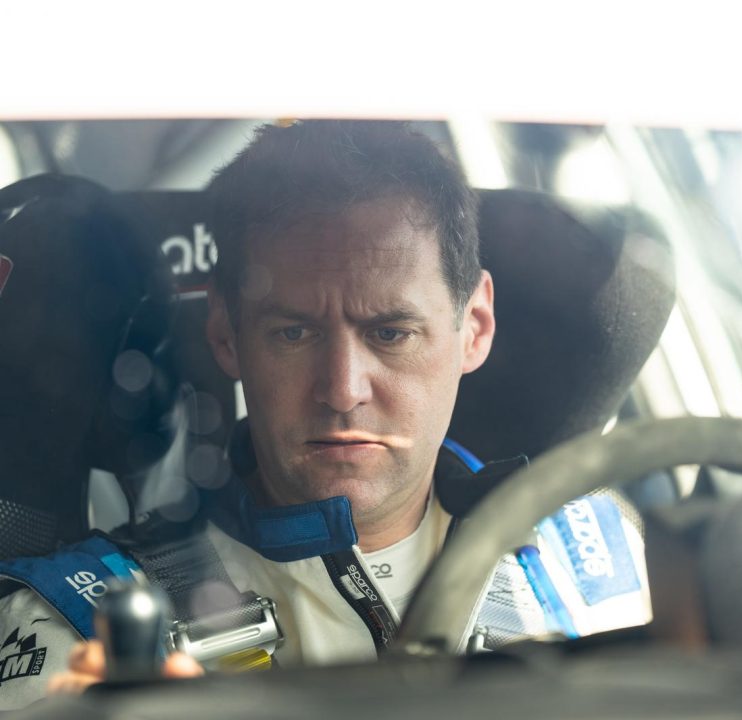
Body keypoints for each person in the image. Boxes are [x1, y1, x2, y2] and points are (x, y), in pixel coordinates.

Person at [0, 121, 650, 708]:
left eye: (390, 333)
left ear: (474, 326)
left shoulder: (602, 567)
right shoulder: (77, 634)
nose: (341, 390)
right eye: (294, 333)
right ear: (225, 330)